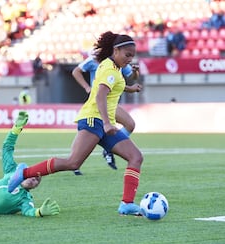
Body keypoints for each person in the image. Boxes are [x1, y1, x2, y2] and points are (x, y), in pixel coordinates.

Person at [8, 31, 144, 216]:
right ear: (116, 50)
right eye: (127, 55)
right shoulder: (109, 69)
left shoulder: (114, 68)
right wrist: (105, 123)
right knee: (73, 163)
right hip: (93, 120)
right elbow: (100, 95)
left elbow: (112, 87)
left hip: (104, 122)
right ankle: (24, 173)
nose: (129, 59)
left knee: (136, 157)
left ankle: (126, 204)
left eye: (132, 56)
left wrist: (130, 87)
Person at [71, 50, 141, 175]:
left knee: (130, 124)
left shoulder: (118, 60)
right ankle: (74, 162)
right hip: (99, 101)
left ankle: (108, 149)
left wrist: (135, 73)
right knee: (89, 134)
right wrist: (87, 87)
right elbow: (76, 71)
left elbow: (129, 78)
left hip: (111, 103)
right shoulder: (94, 59)